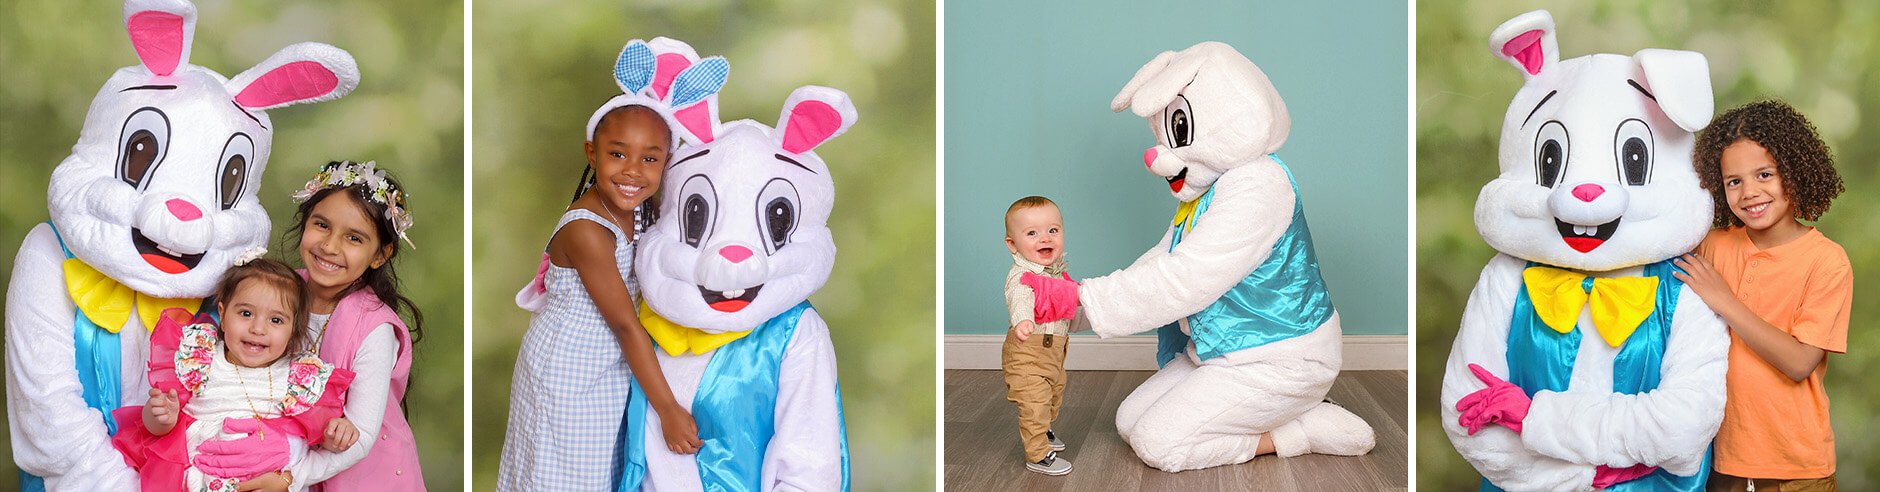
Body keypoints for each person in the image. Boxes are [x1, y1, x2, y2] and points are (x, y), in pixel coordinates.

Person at [497, 99, 700, 490]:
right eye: (618, 153)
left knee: (603, 474)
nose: (632, 171)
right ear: (592, 153)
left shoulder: (639, 209)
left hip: (610, 368)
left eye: (650, 159)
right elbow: (625, 325)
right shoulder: (587, 231)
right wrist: (668, 409)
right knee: (560, 476)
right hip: (567, 373)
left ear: (667, 162)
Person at [1674, 100, 1852, 492]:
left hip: (1797, 470)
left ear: (1795, 172)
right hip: (1719, 464)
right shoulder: (1712, 246)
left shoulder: (1827, 261)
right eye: (1733, 181)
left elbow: (1799, 361)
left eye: (1764, 174)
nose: (1749, 192)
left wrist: (1725, 301)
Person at [110, 256, 359, 492]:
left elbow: (315, 435)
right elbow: (153, 432)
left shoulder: (298, 376)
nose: (258, 328)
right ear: (223, 314)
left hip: (265, 482)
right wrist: (161, 416)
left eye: (276, 320)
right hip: (199, 479)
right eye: (246, 313)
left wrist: (336, 433)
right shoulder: (200, 358)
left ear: (294, 329)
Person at [1001, 196, 1076, 475]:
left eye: (1052, 231)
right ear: (1013, 244)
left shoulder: (1056, 274)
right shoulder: (1023, 275)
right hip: (1027, 352)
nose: (1044, 238)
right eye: (1032, 233)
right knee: (1034, 403)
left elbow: (1065, 305)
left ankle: (1045, 432)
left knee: (1054, 393)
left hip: (1054, 352)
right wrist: (1022, 320)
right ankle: (1037, 455)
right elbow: (1019, 297)